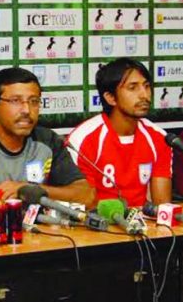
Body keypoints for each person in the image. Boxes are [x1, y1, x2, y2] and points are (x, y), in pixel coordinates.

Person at [0, 67, 93, 205]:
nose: (26, 110)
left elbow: (87, 196)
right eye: (15, 101)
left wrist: (31, 191)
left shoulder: (48, 140)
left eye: (34, 101)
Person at [65, 58, 172, 208]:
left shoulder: (159, 137)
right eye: (132, 87)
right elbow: (82, 202)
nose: (144, 95)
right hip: (97, 226)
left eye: (146, 86)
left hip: (143, 225)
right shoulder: (84, 139)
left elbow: (163, 207)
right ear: (110, 97)